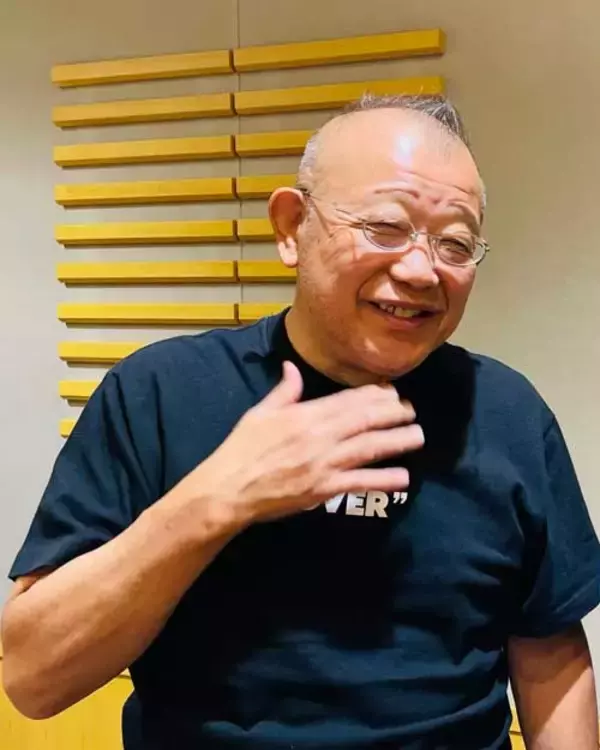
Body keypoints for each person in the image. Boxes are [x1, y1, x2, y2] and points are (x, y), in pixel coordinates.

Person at [2, 94, 600, 750]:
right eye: (385, 227)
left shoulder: (508, 414)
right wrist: (217, 500)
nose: (420, 269)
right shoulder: (159, 393)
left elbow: (551, 656)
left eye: (455, 243)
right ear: (291, 227)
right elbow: (33, 679)